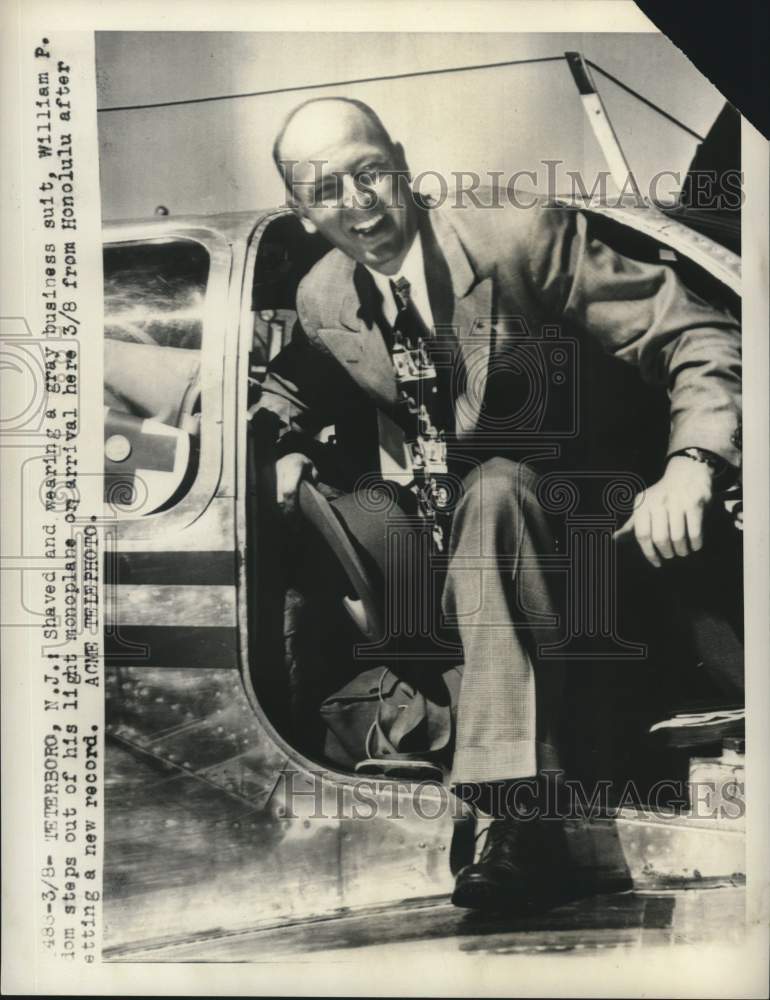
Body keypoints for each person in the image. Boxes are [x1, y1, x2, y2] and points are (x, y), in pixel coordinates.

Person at [253, 96, 742, 910]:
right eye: (326, 189)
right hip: (487, 578)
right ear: (302, 212)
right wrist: (281, 442)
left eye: (370, 171)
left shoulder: (517, 234)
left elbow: (699, 333)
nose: (359, 202)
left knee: (499, 486)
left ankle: (516, 816)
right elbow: (297, 377)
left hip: (614, 551)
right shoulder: (325, 292)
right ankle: (522, 760)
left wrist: (690, 465)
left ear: (403, 161)